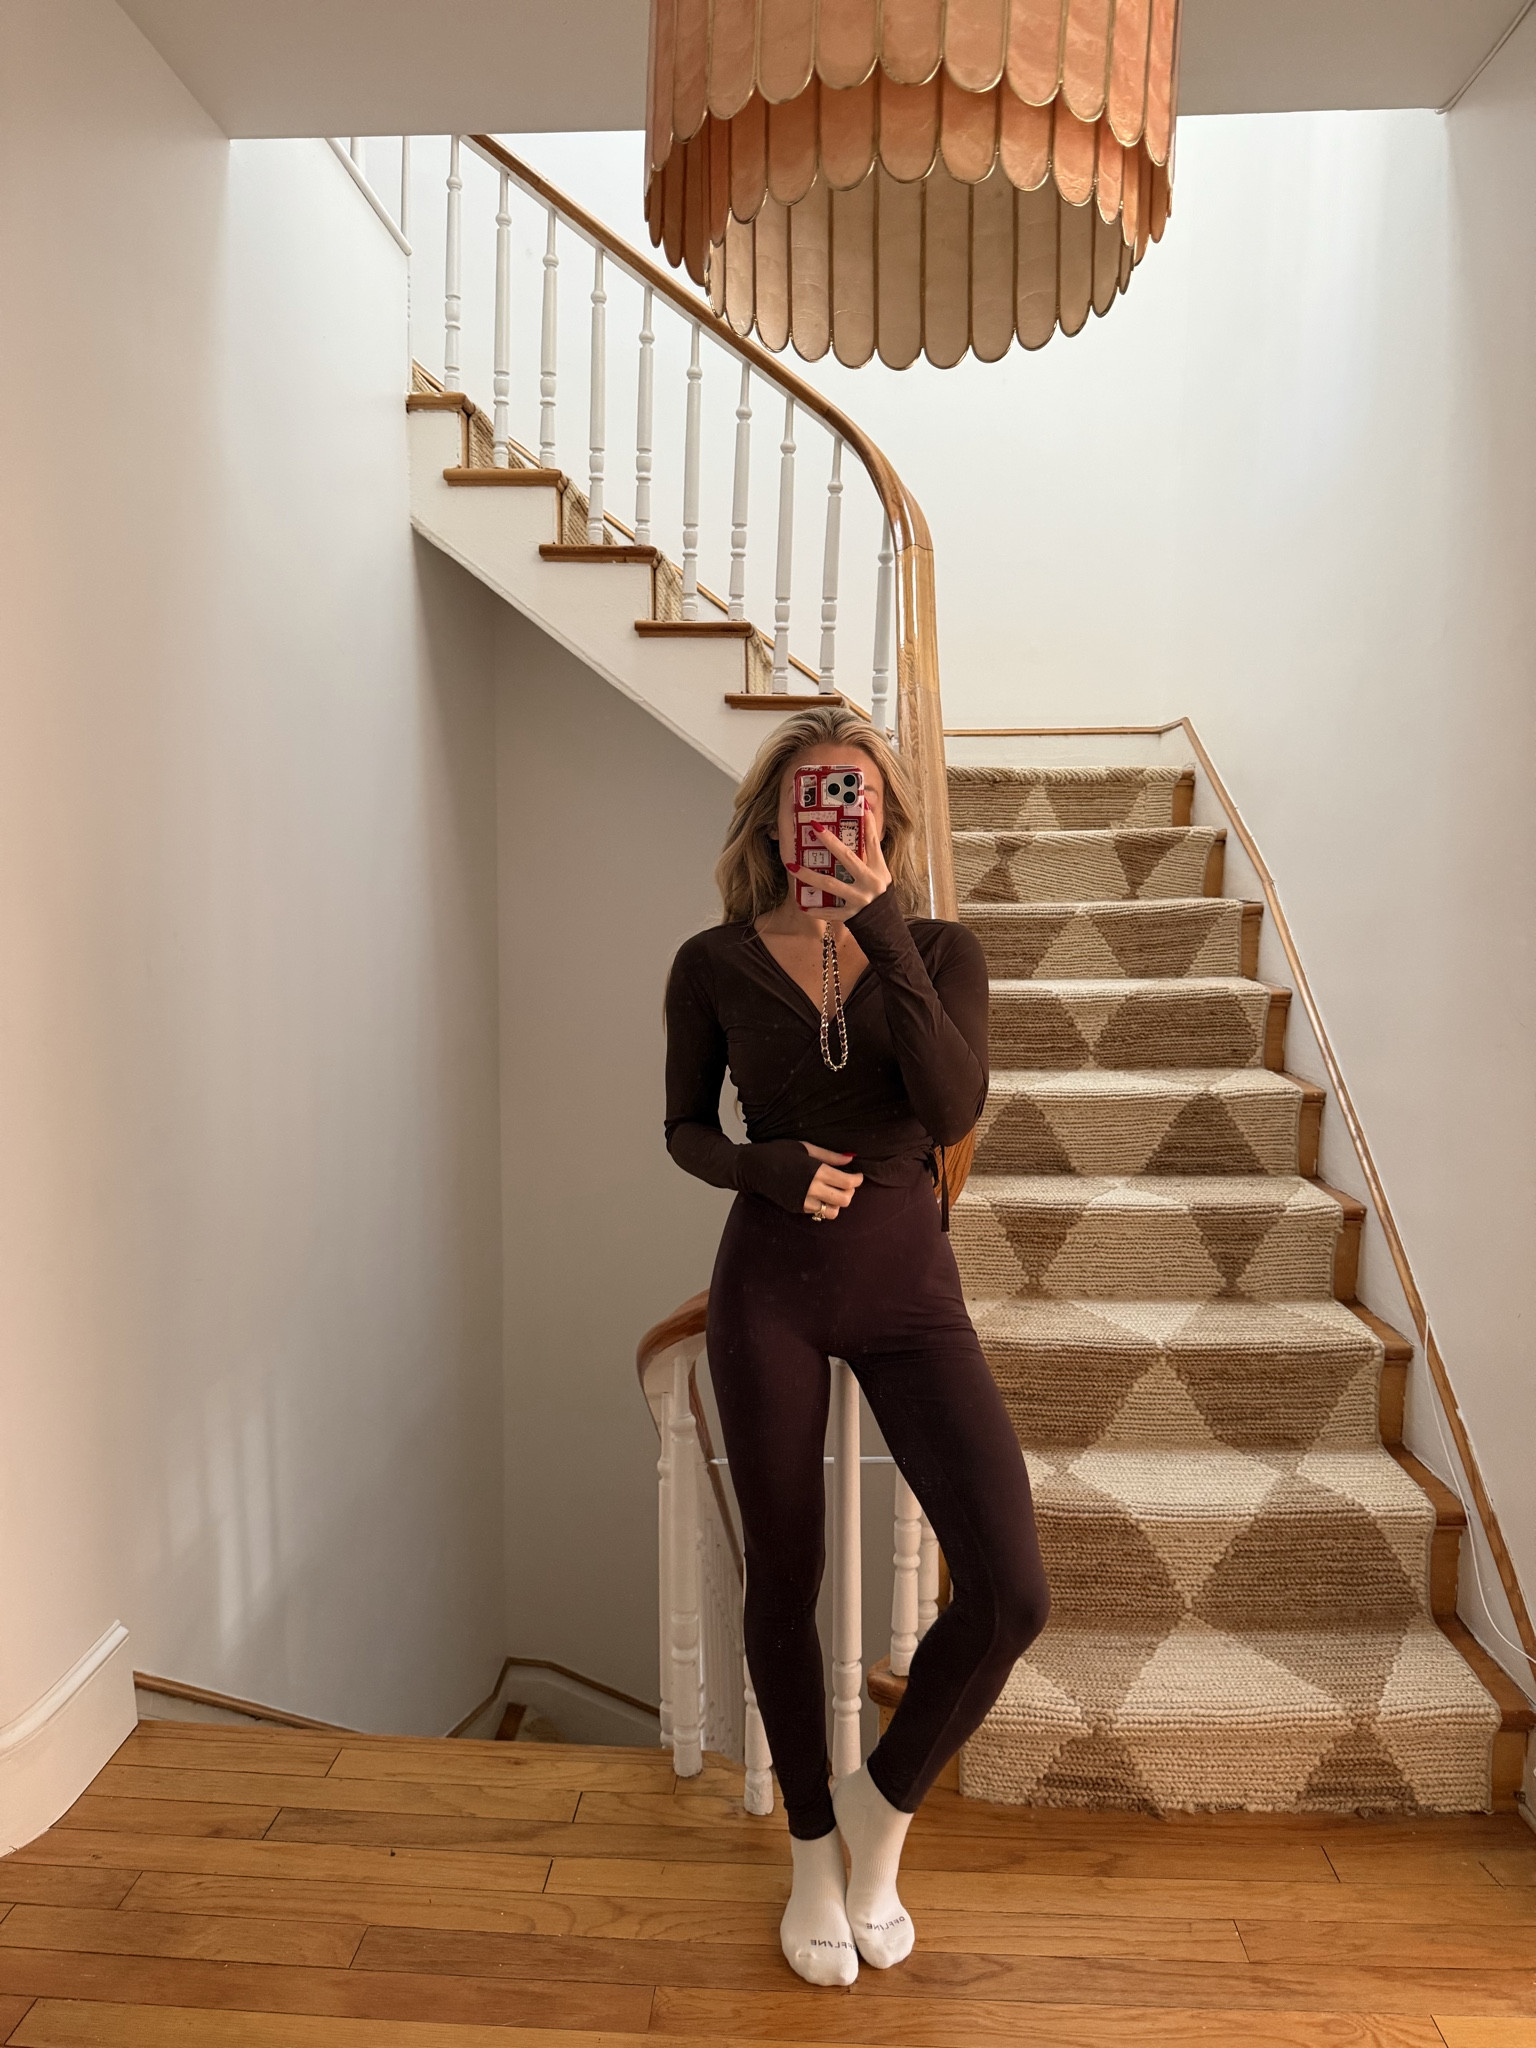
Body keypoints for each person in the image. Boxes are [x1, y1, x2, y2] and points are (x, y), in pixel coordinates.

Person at [662, 705, 1049, 1986]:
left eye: (857, 794)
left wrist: (880, 926)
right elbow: (684, 1129)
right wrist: (762, 1165)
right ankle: (810, 1849)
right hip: (768, 1285)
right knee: (786, 1576)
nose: (832, 815)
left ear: (886, 817)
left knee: (1010, 1590)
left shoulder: (937, 947)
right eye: (811, 794)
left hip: (910, 1292)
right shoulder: (711, 961)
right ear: (774, 818)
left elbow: (953, 1105)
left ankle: (880, 1810)